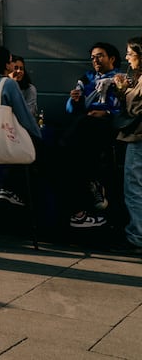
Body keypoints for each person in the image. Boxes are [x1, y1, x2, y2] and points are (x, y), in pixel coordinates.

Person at [0, 45, 43, 223]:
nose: (13, 65)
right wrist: (37, 135)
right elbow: (24, 115)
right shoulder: (8, 83)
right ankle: (13, 195)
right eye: (11, 61)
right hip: (1, 137)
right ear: (6, 64)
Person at [64, 42, 122, 228]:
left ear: (112, 58)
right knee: (75, 156)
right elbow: (69, 109)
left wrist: (107, 113)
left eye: (100, 56)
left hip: (106, 125)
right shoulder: (87, 78)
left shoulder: (120, 78)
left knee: (78, 139)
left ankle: (91, 186)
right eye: (93, 58)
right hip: (85, 125)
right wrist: (74, 100)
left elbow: (127, 108)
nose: (95, 60)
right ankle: (91, 184)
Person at [113, 37, 142, 254]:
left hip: (138, 138)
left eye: (130, 54)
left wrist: (123, 91)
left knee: (133, 187)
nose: (127, 57)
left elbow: (135, 110)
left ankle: (136, 237)